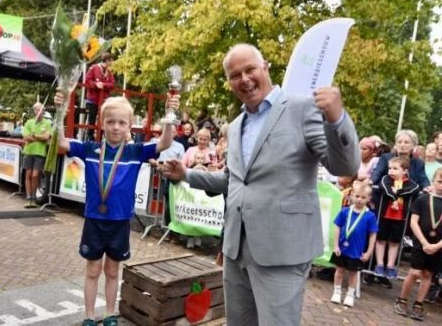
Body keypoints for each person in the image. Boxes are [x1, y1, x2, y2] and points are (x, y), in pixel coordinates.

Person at [160, 43, 360, 325]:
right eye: (234, 75)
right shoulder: (238, 124)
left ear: (265, 67)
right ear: (229, 82)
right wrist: (186, 175)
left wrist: (337, 119)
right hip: (236, 249)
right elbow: (234, 181)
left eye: (250, 69)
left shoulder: (303, 108)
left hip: (282, 250)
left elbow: (345, 167)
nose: (244, 79)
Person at [53, 92, 178, 326]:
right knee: (92, 271)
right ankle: (89, 316)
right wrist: (60, 113)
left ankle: (110, 314)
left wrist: (168, 117)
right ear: (102, 123)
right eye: (110, 122)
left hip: (120, 221)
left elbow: (165, 143)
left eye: (122, 122)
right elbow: (61, 142)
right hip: (94, 220)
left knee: (112, 271)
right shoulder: (90, 149)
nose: (116, 127)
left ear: (129, 125)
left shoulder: (135, 151)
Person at [394, 167, 442, 321]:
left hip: (438, 246)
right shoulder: (422, 199)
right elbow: (414, 222)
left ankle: (419, 303)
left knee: (428, 274)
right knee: (415, 272)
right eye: (440, 181)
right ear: (433, 181)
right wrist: (423, 242)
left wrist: (436, 246)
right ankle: (402, 299)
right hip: (420, 242)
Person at [330, 181, 378, 307]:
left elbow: (373, 235)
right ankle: (336, 291)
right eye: (357, 196)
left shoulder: (370, 216)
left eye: (363, 197)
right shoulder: (345, 211)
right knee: (339, 270)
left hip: (356, 251)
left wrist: (369, 252)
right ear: (351, 195)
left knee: (353, 273)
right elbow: (337, 228)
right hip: (341, 248)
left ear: (368, 199)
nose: (359, 200)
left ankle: (350, 294)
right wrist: (335, 245)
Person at [374, 156, 420, 280]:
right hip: (384, 215)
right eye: (390, 168)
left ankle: (390, 266)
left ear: (404, 171)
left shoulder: (410, 183)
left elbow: (415, 189)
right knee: (381, 240)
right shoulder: (386, 179)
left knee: (394, 242)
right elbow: (385, 189)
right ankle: (379, 264)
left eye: (395, 168)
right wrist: (394, 198)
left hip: (400, 218)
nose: (391, 171)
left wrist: (399, 192)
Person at [21, 102, 52, 209]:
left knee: (35, 175)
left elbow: (46, 137)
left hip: (40, 153)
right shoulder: (29, 122)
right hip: (28, 151)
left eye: (43, 110)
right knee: (28, 174)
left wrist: (33, 136)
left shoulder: (47, 123)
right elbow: (25, 137)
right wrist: (39, 137)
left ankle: (33, 197)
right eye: (39, 110)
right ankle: (29, 198)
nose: (41, 112)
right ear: (35, 111)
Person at [84, 52, 115, 141]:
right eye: (111, 60)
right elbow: (87, 80)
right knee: (92, 119)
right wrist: (96, 84)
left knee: (102, 120)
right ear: (107, 60)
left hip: (103, 101)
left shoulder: (109, 72)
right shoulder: (94, 68)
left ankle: (99, 138)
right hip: (93, 99)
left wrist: (103, 85)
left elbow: (112, 84)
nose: (112, 62)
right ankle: (89, 139)